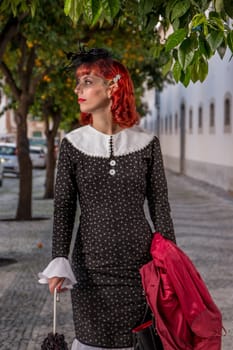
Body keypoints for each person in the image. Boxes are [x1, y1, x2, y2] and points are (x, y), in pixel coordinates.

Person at [38, 47, 176, 350]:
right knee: (92, 343)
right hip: (90, 268)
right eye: (78, 83)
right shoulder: (73, 144)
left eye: (87, 81)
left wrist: (171, 263)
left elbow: (160, 206)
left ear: (113, 85)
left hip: (140, 269)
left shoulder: (147, 143)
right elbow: (63, 208)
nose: (78, 90)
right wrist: (59, 259)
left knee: (141, 341)